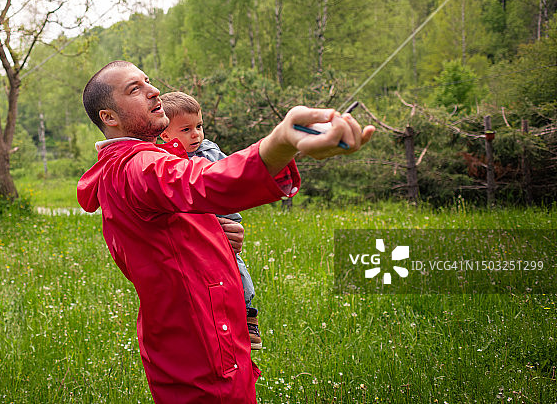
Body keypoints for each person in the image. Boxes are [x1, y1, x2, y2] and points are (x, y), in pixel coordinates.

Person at [77, 60, 374, 403]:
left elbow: (163, 237)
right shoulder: (139, 166)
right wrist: (283, 140)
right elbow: (208, 181)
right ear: (109, 117)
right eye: (135, 89)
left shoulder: (127, 166)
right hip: (203, 353)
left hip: (196, 343)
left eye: (148, 81)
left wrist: (211, 230)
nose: (153, 91)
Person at [158, 91, 300, 351]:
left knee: (235, 269)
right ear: (165, 134)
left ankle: (247, 314)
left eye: (199, 126)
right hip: (190, 234)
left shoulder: (209, 152)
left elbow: (233, 179)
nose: (196, 134)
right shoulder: (161, 161)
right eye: (186, 129)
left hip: (222, 224)